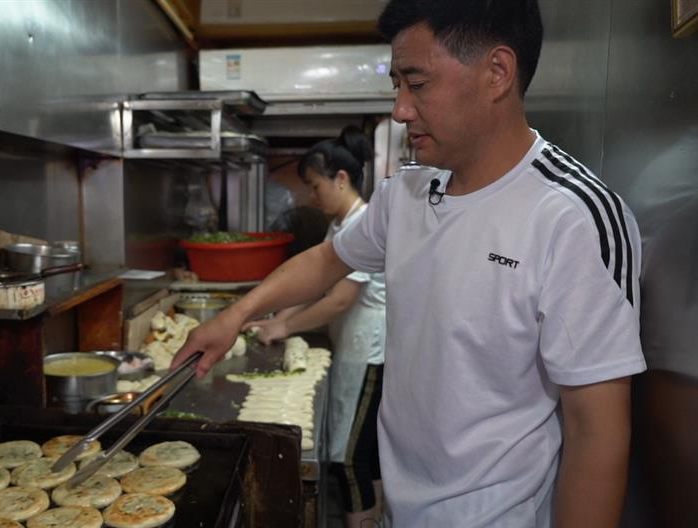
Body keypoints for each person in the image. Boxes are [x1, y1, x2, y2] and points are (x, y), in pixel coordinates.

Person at [173, 0, 647, 526]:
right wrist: (236, 316)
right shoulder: (407, 194)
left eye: (416, 84)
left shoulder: (572, 216)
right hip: (403, 510)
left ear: (496, 72)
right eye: (396, 85)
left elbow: (596, 432)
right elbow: (329, 259)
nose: (400, 109)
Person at [243, 126, 387, 528]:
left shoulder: (362, 223)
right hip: (354, 346)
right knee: (365, 451)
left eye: (315, 185)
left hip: (371, 351)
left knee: (351, 456)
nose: (311, 195)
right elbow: (320, 280)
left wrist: (284, 330)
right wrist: (280, 318)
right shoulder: (341, 224)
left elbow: (341, 298)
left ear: (341, 179)